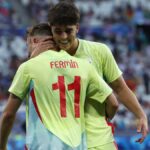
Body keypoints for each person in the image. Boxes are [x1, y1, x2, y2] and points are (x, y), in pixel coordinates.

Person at [31, 1, 148, 149]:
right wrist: (33, 60)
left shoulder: (99, 51)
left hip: (97, 139)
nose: (64, 37)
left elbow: (120, 88)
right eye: (58, 31)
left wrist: (140, 114)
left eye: (69, 31)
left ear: (77, 28)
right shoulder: (44, 58)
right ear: (51, 29)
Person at [0, 23, 119, 150]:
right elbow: (113, 103)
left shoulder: (28, 67)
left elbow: (8, 115)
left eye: (27, 44)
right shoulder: (84, 66)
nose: (28, 49)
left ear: (33, 40)